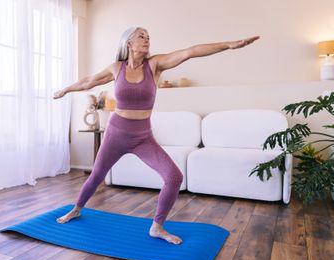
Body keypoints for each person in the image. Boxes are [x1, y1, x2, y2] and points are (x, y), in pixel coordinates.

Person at [53, 27, 259, 244]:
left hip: (142, 137)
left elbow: (190, 51)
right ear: (129, 43)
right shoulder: (117, 68)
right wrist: (65, 90)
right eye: (141, 36)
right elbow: (89, 81)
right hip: (115, 133)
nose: (147, 40)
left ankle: (157, 227)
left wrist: (229, 45)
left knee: (174, 177)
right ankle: (76, 209)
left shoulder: (154, 65)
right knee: (96, 176)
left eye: (148, 37)